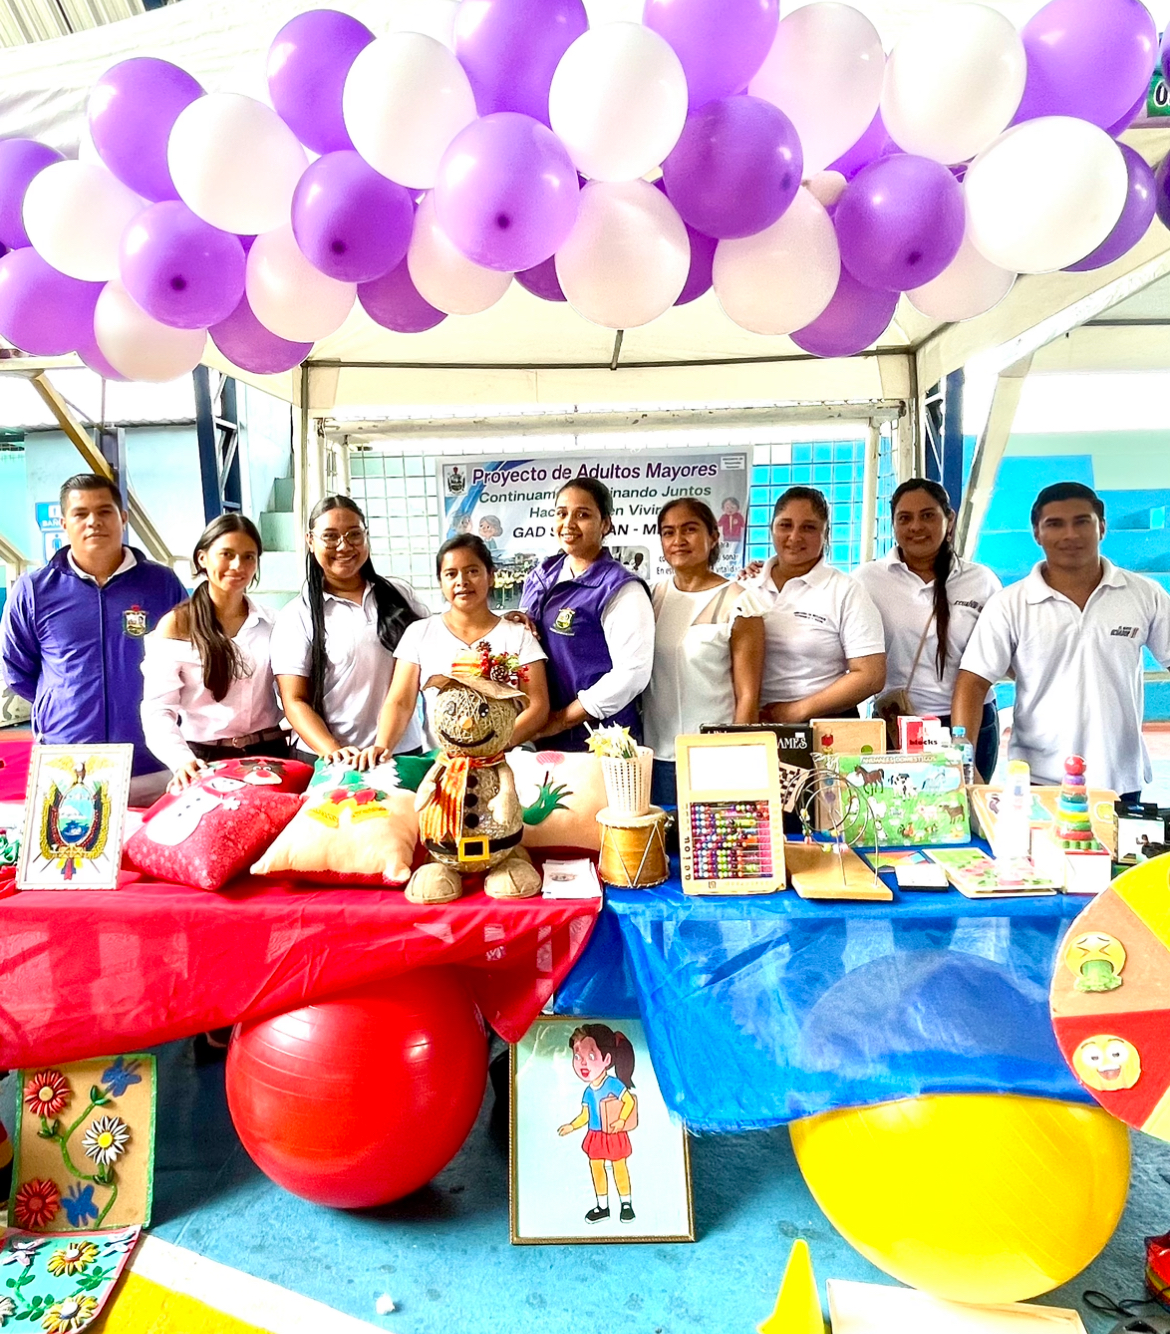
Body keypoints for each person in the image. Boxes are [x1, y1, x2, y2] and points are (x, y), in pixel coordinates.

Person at [953, 481, 1170, 798]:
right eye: (1055, 524)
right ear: (1037, 534)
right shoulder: (1009, 604)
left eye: (1082, 522)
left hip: (1120, 779)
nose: (1070, 534)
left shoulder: (1144, 594)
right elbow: (972, 682)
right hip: (1038, 781)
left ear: (1102, 527)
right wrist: (964, 765)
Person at [0, 472, 186, 803]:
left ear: (123, 518)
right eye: (80, 513)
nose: (93, 522)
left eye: (104, 511)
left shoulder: (162, 584)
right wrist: (63, 702)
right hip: (67, 763)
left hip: (152, 764)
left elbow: (188, 659)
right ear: (64, 523)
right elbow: (17, 670)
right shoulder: (34, 591)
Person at [854, 479, 1002, 778]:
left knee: (968, 805)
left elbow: (1002, 657)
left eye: (927, 515)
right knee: (898, 806)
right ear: (893, 524)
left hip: (970, 725)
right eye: (904, 518)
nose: (916, 527)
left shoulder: (981, 581)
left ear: (949, 519)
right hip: (897, 724)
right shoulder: (867, 579)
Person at [359, 535, 549, 765]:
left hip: (508, 761)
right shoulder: (419, 633)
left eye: (472, 571)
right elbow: (400, 702)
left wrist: (491, 744)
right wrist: (382, 746)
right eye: (451, 574)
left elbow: (537, 706)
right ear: (440, 582)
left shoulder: (518, 635)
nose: (462, 581)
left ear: (491, 576)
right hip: (444, 764)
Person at [270, 495, 428, 765]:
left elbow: (438, 648)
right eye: (330, 537)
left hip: (400, 751)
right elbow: (294, 700)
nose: (344, 546)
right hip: (326, 757)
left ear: (366, 536)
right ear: (310, 541)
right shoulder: (297, 615)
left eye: (354, 534)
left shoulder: (401, 596)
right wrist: (332, 750)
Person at [140, 515, 286, 792]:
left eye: (248, 557)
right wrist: (181, 761)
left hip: (270, 757)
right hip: (204, 761)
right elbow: (158, 708)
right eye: (227, 554)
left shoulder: (273, 623)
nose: (237, 565)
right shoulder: (177, 625)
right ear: (202, 558)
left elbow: (292, 694)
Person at [643, 498, 766, 806]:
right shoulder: (650, 597)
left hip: (715, 756)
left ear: (713, 536)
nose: (678, 540)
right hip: (657, 758)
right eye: (668, 532)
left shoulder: (740, 602)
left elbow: (748, 695)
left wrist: (736, 755)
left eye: (690, 529)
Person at [517, 478, 653, 750]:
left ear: (605, 524)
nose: (568, 523)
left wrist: (561, 720)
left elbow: (632, 673)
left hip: (602, 743)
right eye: (561, 513)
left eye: (582, 515)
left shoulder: (620, 588)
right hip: (543, 739)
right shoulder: (541, 576)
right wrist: (514, 623)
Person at [745, 486, 886, 722]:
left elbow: (871, 675)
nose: (794, 537)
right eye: (785, 525)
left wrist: (797, 711)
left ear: (825, 533)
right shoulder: (745, 588)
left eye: (808, 527)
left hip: (827, 724)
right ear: (771, 528)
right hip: (753, 723)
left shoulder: (845, 591)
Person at [557, 1023, 638, 1225]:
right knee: (597, 1169)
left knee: (619, 1167)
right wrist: (572, 1126)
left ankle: (626, 1204)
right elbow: (585, 1115)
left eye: (591, 1056)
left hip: (614, 1133)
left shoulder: (613, 1084)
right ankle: (603, 1206)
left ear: (607, 1059)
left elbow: (628, 1101)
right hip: (595, 1135)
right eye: (578, 1057)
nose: (583, 1063)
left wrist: (621, 1120)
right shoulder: (588, 1092)